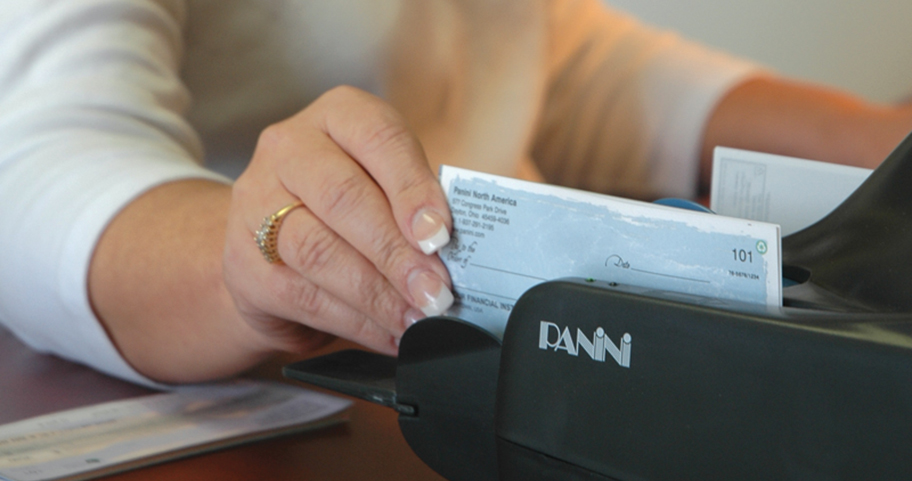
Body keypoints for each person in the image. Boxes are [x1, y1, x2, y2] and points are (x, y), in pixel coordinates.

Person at [0, 0, 910, 387]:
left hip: (495, 375)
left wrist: (889, 145)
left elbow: (559, 67)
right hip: (273, 390)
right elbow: (37, 160)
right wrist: (261, 254)